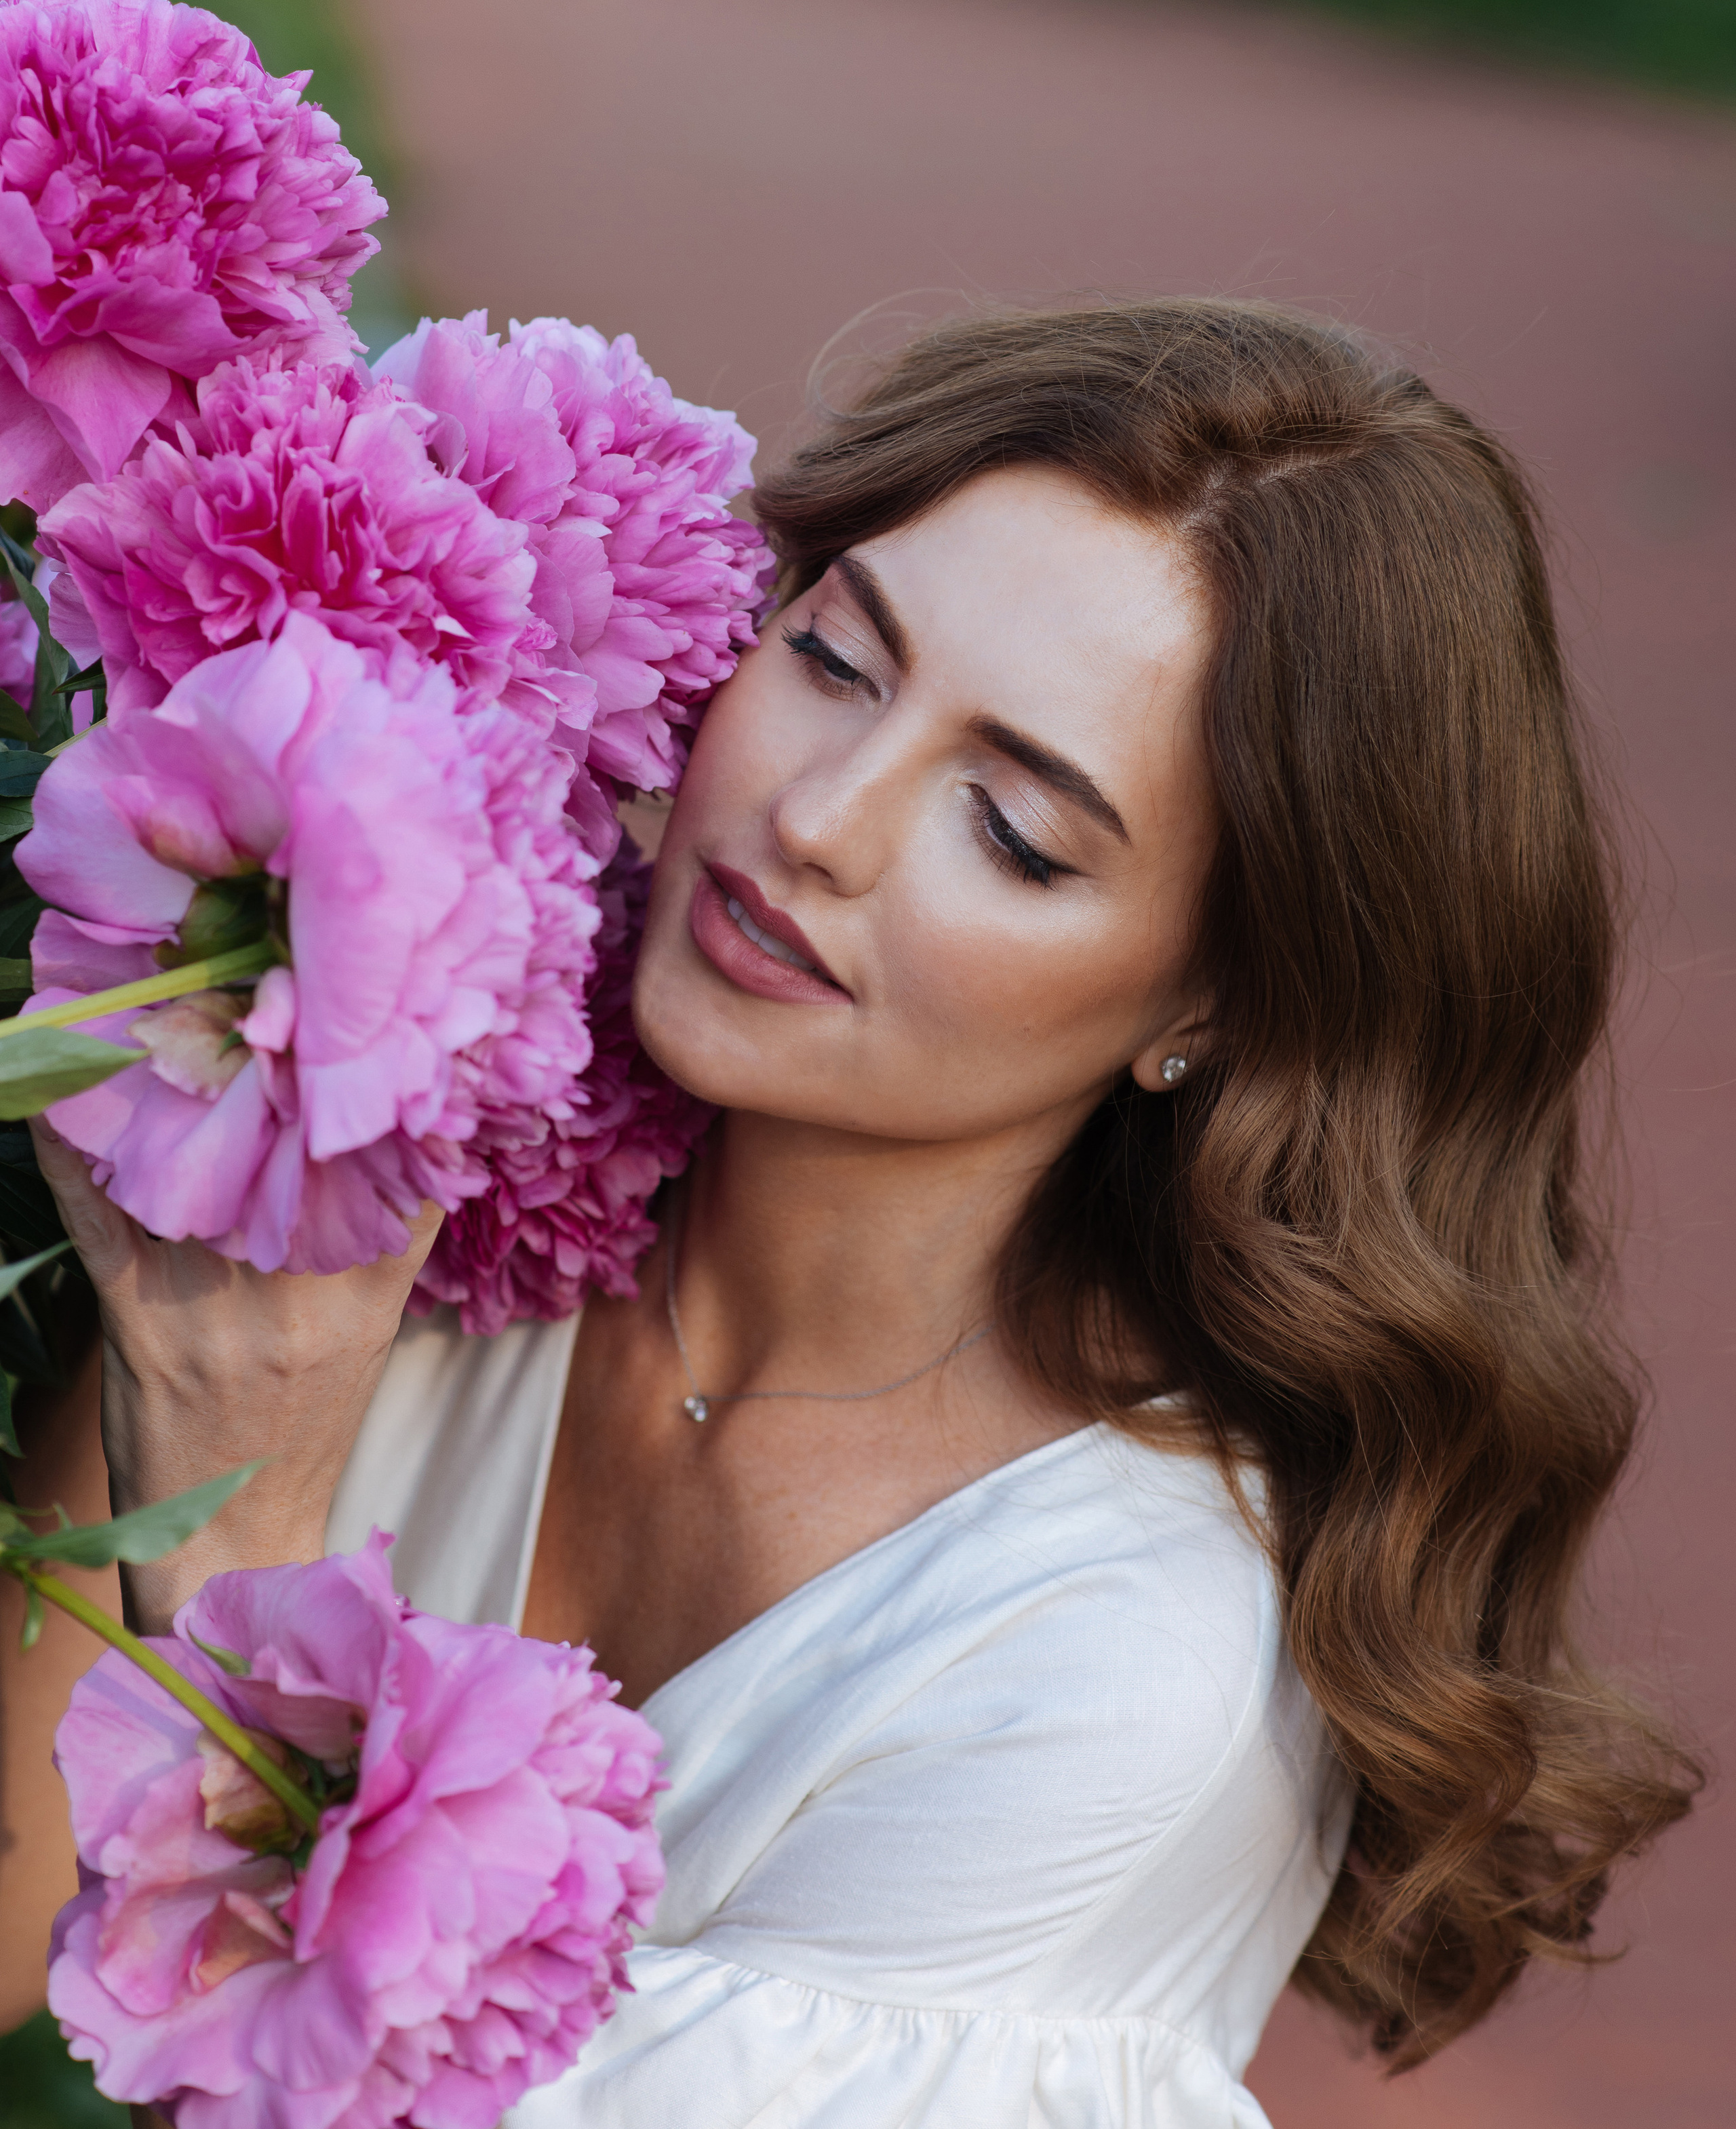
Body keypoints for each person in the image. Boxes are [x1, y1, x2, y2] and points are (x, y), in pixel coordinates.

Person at [0, 300, 1698, 2125]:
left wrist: (234, 1522)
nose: (820, 815)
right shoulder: (447, 1157)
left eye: (1016, 830)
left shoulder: (1114, 1679)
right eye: (833, 657)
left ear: (1221, 1006)